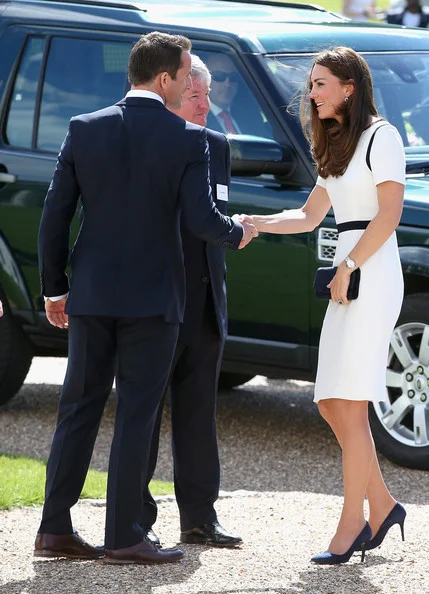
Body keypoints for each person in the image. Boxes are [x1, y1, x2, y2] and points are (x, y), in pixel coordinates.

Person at [35, 31, 257, 566]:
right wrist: (238, 231)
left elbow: (54, 216)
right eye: (186, 77)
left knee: (78, 409)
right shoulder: (186, 139)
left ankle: (54, 528)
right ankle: (124, 535)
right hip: (153, 301)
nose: (190, 87)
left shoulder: (83, 128)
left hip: (89, 294)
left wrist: (54, 289)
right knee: (136, 412)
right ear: (165, 79)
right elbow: (203, 221)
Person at [236, 47, 407, 565]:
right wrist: (256, 222)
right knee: (331, 401)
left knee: (349, 404)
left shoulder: (383, 137)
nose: (311, 94)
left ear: (350, 87)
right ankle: (382, 505)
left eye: (321, 84)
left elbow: (390, 215)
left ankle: (353, 523)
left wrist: (349, 266)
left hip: (370, 272)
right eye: (310, 85)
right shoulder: (335, 142)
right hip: (346, 274)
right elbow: (309, 216)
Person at [141, 55, 242, 548]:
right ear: (173, 94)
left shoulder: (217, 146)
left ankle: (200, 517)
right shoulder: (148, 144)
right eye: (195, 95)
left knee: (199, 414)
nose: (204, 104)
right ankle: (135, 521)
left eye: (206, 95)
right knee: (142, 416)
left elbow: (214, 218)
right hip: (156, 306)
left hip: (204, 306)